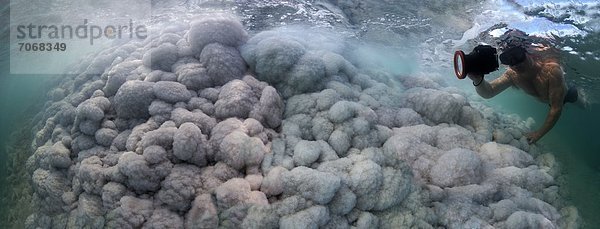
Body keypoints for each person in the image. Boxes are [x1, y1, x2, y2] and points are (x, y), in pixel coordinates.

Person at [467, 29, 585, 144]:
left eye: (518, 56)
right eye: (508, 60)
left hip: (567, 95)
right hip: (548, 99)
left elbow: (556, 108)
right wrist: (478, 80)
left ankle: (582, 97)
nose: (516, 64)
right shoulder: (512, 75)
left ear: (528, 52)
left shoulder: (551, 70)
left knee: (582, 104)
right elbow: (489, 92)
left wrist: (538, 134)